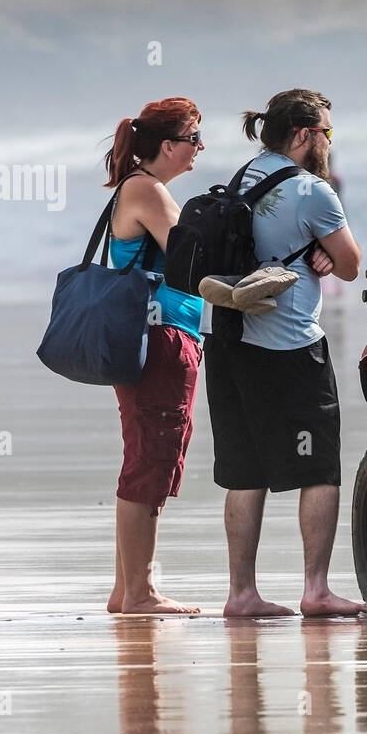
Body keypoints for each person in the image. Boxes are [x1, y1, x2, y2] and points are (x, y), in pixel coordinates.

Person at [204, 88, 366, 618]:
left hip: (229, 342)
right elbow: (350, 265)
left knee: (244, 471)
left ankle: (241, 594)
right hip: (290, 346)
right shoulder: (311, 191)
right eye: (327, 132)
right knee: (319, 468)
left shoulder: (243, 176)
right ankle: (316, 589)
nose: (328, 142)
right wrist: (323, 249)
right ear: (303, 135)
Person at [102, 97, 207, 614]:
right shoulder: (147, 189)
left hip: (152, 338)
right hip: (159, 339)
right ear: (168, 146)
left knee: (147, 455)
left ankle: (126, 590)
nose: (198, 151)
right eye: (193, 140)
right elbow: (194, 256)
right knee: (151, 459)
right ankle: (139, 592)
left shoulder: (137, 187)